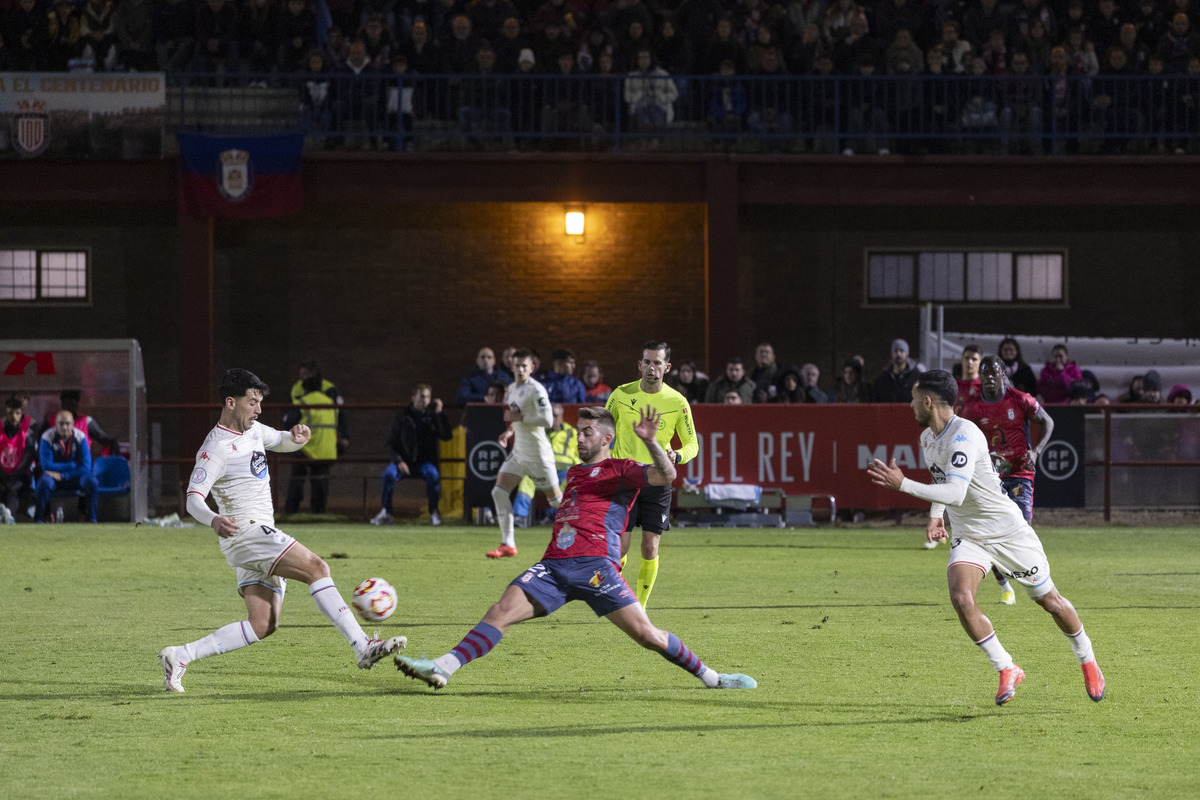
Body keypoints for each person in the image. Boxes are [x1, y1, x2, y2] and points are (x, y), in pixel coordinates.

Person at [394, 405, 756, 692]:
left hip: (596, 567)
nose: (579, 438)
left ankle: (712, 677)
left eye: (587, 432)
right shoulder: (575, 474)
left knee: (648, 636)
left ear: (606, 438)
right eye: (578, 431)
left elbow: (666, 476)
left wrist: (649, 440)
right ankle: (443, 667)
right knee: (500, 610)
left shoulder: (622, 469)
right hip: (553, 567)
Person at [867, 370, 1105, 706]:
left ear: (928, 401)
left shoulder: (965, 435)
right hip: (970, 535)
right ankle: (1006, 667)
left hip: (1006, 531)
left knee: (1050, 601)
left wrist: (903, 484)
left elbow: (956, 490)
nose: (910, 405)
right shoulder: (927, 439)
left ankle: (1087, 659)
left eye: (913, 398)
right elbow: (943, 483)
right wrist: (936, 516)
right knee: (962, 598)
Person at [159, 369, 406, 693]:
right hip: (245, 533)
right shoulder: (215, 447)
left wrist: (297, 438)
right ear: (231, 403)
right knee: (318, 568)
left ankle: (180, 655)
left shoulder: (253, 430)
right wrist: (213, 519)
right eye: (252, 402)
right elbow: (193, 499)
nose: (258, 409)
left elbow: (280, 440)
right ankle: (362, 645)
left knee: (263, 625)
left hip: (257, 536)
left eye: (260, 402)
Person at [605, 341, 699, 607]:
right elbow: (603, 428)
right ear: (640, 365)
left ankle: (640, 606)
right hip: (624, 479)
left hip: (657, 480)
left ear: (667, 368)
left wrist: (677, 456)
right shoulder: (621, 395)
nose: (651, 367)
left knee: (650, 547)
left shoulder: (677, 402)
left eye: (657, 363)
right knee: (620, 547)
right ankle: (616, 595)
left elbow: (693, 444)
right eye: (647, 362)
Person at [960, 355, 1057, 605]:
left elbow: (1048, 421)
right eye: (985, 374)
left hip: (1019, 472)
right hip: (989, 477)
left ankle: (1035, 578)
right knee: (990, 531)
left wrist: (1035, 452)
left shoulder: (1020, 399)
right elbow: (962, 440)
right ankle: (1005, 587)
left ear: (1003, 374)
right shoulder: (971, 410)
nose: (989, 378)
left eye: (994, 372)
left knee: (1020, 528)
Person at [486, 348, 563, 559]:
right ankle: (508, 543)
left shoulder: (536, 390)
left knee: (557, 502)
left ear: (532, 368)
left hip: (538, 455)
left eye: (524, 366)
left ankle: (587, 531)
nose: (520, 369)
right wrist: (509, 430)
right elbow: (517, 417)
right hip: (519, 452)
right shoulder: (511, 388)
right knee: (499, 492)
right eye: (516, 365)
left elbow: (547, 421)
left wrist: (520, 419)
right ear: (511, 366)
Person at [370, 383, 453, 526]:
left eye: (427, 397)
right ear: (413, 397)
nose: (424, 400)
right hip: (403, 462)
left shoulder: (432, 417)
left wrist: (439, 414)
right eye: (421, 397)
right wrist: (399, 461)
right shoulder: (402, 417)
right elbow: (390, 444)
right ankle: (386, 512)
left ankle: (434, 512)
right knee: (388, 474)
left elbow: (446, 435)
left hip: (424, 463)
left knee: (433, 475)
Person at [284, 362, 348, 516]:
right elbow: (342, 417)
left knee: (297, 479)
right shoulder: (330, 402)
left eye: (304, 375)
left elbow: (288, 421)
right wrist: (345, 437)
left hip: (305, 447)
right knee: (320, 481)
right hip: (326, 449)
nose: (301, 379)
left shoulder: (304, 401)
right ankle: (318, 513)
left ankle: (291, 512)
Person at [36, 411, 99, 524]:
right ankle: (40, 519)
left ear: (73, 424)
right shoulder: (47, 437)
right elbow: (46, 465)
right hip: (54, 478)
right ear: (55, 424)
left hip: (74, 477)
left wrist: (64, 475)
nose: (65, 427)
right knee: (44, 482)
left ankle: (91, 519)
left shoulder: (80, 437)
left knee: (91, 481)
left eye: (68, 423)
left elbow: (86, 466)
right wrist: (72, 465)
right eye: (61, 424)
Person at [1, 395, 37, 523]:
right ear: (5, 412)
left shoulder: (27, 435)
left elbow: (26, 461)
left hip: (20, 477)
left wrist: (12, 475)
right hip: (2, 475)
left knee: (12, 489)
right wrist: (4, 475)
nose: (14, 416)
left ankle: (10, 517)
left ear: (21, 414)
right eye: (10, 413)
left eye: (17, 413)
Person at [57, 389, 120, 457]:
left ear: (77, 404)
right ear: (62, 404)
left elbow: (105, 440)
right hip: (55, 465)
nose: (69, 407)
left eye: (72, 404)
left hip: (81, 465)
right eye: (67, 404)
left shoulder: (87, 421)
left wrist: (113, 443)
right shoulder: (51, 422)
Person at [953, 344, 982, 412]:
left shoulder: (983, 386)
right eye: (967, 358)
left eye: (974, 359)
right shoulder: (953, 384)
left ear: (980, 362)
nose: (970, 362)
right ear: (962, 360)